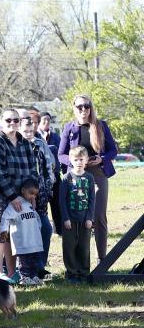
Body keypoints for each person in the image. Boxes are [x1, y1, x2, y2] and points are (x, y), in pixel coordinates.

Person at [57, 94, 118, 262]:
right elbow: (61, 154)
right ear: (74, 109)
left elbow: (113, 150)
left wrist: (102, 158)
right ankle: (77, 263)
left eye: (86, 106)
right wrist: (76, 162)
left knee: (98, 216)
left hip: (98, 173)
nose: (83, 109)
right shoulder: (69, 128)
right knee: (77, 217)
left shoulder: (101, 125)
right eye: (79, 106)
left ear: (91, 108)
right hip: (76, 175)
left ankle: (102, 260)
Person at [0, 109, 36, 283]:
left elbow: (32, 170)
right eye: (8, 120)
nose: (12, 123)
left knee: (13, 233)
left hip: (22, 195)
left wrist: (30, 193)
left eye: (16, 120)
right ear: (1, 122)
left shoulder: (24, 142)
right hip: (0, 194)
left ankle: (11, 272)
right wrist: (12, 196)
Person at [20, 115, 55, 274]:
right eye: (25, 130)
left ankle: (41, 265)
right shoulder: (17, 145)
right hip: (22, 194)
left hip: (41, 194)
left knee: (45, 228)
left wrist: (47, 188)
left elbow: (49, 167)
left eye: (30, 130)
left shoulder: (40, 144)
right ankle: (24, 267)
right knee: (26, 231)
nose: (28, 133)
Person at [59, 146, 96, 282]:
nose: (79, 162)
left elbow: (92, 199)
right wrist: (66, 218)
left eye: (81, 159)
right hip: (70, 220)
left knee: (84, 246)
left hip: (85, 220)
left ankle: (84, 272)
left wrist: (89, 218)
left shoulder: (89, 178)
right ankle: (72, 273)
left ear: (86, 160)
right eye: (76, 159)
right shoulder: (66, 178)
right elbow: (62, 201)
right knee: (69, 247)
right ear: (70, 160)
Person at [0, 177, 45, 285]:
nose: (33, 196)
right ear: (23, 190)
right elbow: (6, 217)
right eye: (31, 193)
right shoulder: (16, 204)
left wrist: (38, 227)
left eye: (35, 195)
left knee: (34, 259)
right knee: (24, 260)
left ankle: (33, 276)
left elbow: (37, 218)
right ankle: (24, 277)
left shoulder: (30, 205)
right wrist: (4, 230)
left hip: (33, 240)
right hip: (22, 240)